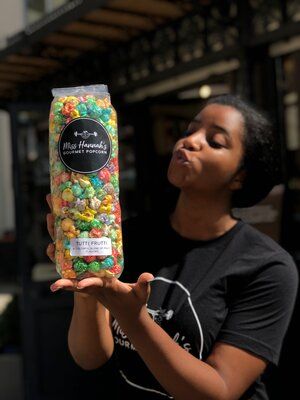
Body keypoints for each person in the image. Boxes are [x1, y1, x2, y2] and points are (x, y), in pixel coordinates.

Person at [46, 94, 298, 400]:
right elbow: (90, 357)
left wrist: (133, 318)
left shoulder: (267, 266)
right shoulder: (123, 239)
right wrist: (88, 294)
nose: (190, 142)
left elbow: (218, 391)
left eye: (215, 141)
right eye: (189, 130)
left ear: (239, 177)